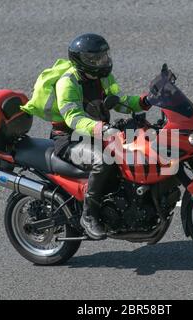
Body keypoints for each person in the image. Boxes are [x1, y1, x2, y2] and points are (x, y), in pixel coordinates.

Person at [46, 33, 151, 239]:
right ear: (82, 61)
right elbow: (73, 119)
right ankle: (89, 215)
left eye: (104, 56)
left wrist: (147, 100)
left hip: (98, 133)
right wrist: (101, 129)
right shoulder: (67, 83)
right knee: (103, 160)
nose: (103, 62)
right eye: (96, 59)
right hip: (69, 140)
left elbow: (119, 102)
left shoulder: (103, 77)